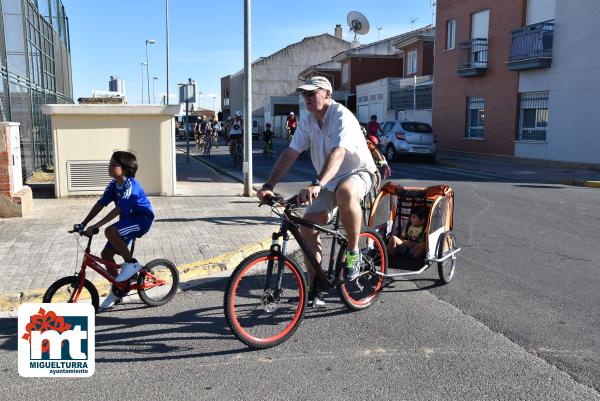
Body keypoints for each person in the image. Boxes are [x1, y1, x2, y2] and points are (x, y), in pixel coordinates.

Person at [257, 76, 378, 308]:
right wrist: (268, 185)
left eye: (312, 93)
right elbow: (291, 153)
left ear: (327, 95)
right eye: (305, 94)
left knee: (346, 192)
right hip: (328, 181)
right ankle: (316, 287)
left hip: (358, 172)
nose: (307, 98)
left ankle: (353, 251)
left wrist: (317, 183)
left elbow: (338, 153)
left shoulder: (341, 116)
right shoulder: (308, 120)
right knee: (307, 228)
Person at [77, 151, 154, 310]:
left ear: (124, 169)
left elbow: (118, 209)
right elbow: (100, 204)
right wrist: (84, 223)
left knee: (110, 231)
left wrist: (97, 226)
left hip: (141, 220)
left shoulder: (131, 186)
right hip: (126, 222)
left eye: (113, 164)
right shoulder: (113, 185)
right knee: (106, 255)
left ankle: (132, 264)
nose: (109, 166)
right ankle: (118, 289)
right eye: (110, 163)